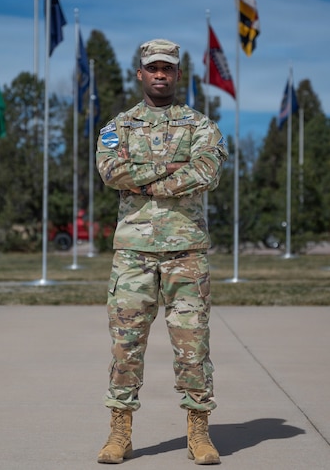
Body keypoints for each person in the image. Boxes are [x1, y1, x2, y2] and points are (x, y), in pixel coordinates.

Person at [95, 39, 228, 465]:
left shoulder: (200, 125)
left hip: (185, 252)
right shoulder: (118, 126)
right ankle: (120, 431)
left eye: (167, 68)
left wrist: (144, 180)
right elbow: (110, 171)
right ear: (140, 73)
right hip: (133, 254)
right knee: (125, 345)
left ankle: (199, 431)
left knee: (193, 344)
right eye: (152, 67)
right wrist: (169, 169)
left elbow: (207, 171)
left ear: (177, 75)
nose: (159, 74)